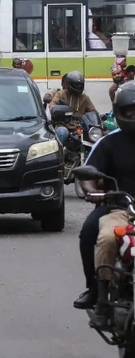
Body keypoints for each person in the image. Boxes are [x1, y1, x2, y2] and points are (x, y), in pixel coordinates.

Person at [74, 82, 135, 328]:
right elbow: (88, 176)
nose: (134, 116)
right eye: (129, 111)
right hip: (119, 207)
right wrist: (93, 193)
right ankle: (98, 296)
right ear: (119, 112)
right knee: (96, 234)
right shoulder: (108, 143)